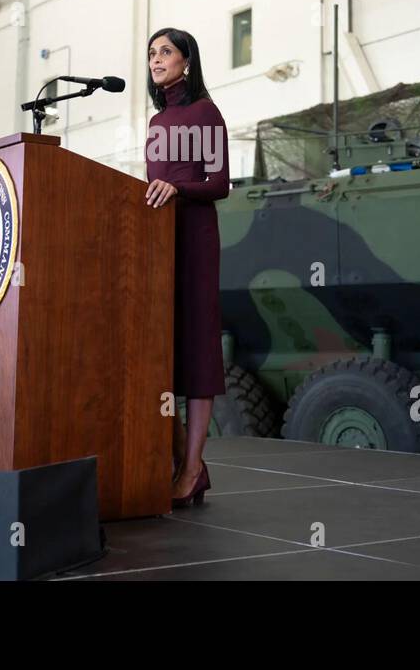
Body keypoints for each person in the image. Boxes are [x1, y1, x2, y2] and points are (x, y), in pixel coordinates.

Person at [144, 27, 230, 508]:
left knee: (195, 351)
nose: (156, 59)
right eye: (152, 53)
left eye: (166, 51)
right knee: (160, 352)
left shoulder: (205, 113)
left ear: (187, 61)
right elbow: (153, 183)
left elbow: (220, 183)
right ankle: (186, 459)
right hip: (157, 243)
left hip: (195, 241)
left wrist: (180, 190)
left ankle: (192, 467)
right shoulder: (157, 121)